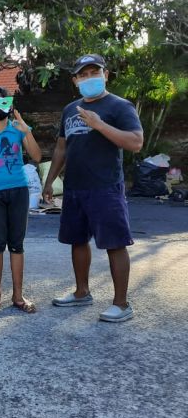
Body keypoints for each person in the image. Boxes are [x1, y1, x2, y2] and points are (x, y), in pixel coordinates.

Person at [43, 54, 144, 323]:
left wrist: (99, 124)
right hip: (75, 187)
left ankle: (121, 304)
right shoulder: (70, 109)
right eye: (83, 74)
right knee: (77, 240)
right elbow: (62, 147)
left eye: (94, 72)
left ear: (106, 75)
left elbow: (135, 142)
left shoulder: (120, 106)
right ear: (75, 80)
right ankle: (81, 292)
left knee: (115, 243)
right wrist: (50, 180)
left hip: (106, 186)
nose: (89, 78)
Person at [0, 87, 41, 313]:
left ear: (10, 105)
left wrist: (26, 131)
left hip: (19, 191)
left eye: (3, 102)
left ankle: (18, 296)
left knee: (17, 244)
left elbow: (37, 156)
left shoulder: (18, 129)